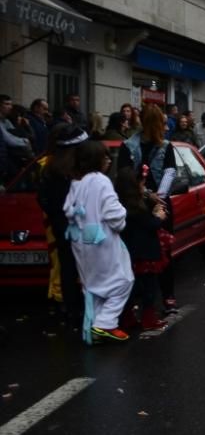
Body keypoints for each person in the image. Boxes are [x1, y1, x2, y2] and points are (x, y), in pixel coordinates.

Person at [63, 139, 134, 343]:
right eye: (105, 157)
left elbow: (68, 209)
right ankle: (105, 324)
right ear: (96, 159)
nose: (108, 161)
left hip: (79, 240)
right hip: (101, 240)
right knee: (122, 280)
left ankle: (95, 326)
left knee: (92, 286)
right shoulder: (101, 181)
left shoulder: (76, 182)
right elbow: (114, 214)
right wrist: (122, 214)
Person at [117, 104, 180, 314]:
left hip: (159, 205)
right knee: (138, 253)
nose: (166, 126)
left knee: (164, 252)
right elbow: (124, 177)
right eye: (162, 122)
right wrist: (147, 195)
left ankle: (167, 295)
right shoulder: (128, 146)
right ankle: (140, 299)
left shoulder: (166, 146)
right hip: (136, 206)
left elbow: (171, 172)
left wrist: (159, 198)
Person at [38, 125, 89, 326]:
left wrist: (56, 217)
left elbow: (42, 199)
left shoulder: (50, 169)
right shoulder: (73, 172)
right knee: (80, 268)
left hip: (61, 227)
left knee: (67, 268)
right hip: (76, 227)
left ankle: (71, 309)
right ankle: (83, 308)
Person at [114, 166, 170, 331]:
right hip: (145, 253)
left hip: (128, 254)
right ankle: (148, 318)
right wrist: (159, 216)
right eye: (142, 182)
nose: (144, 185)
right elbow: (150, 225)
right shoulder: (137, 207)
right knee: (148, 289)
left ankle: (128, 318)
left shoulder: (121, 205)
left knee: (131, 289)